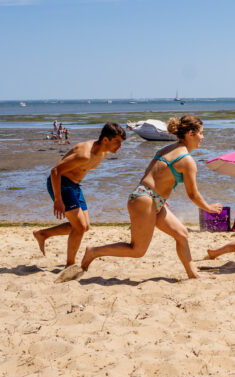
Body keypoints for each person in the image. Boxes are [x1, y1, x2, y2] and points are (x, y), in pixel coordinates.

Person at [80, 115, 222, 279]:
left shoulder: (167, 148)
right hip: (145, 201)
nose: (202, 137)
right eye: (201, 133)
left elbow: (149, 173)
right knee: (137, 250)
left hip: (148, 197)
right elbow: (193, 194)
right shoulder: (187, 161)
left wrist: (158, 196)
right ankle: (93, 251)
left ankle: (193, 274)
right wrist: (208, 208)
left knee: (182, 234)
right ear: (190, 134)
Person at [33, 122, 126, 269]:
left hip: (74, 186)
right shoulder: (84, 154)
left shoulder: (104, 152)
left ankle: (43, 234)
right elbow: (55, 171)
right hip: (62, 184)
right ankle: (70, 265)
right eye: (117, 142)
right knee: (80, 227)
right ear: (105, 140)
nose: (120, 146)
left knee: (85, 226)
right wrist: (58, 199)